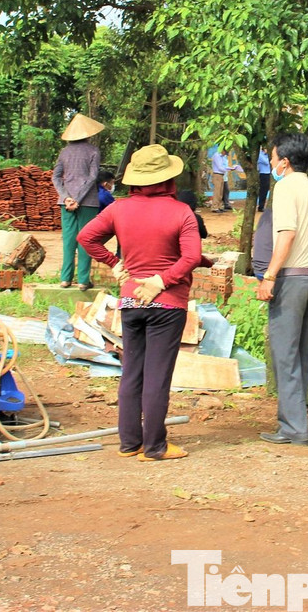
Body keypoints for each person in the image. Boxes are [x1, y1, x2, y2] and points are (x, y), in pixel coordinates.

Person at [79, 144, 204, 461]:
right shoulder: (181, 212)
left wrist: (114, 263)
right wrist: (162, 280)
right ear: (169, 179)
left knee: (132, 372)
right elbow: (187, 257)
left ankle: (129, 443)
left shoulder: (119, 209)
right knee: (157, 376)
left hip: (131, 300)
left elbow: (86, 237)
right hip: (168, 303)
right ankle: (155, 447)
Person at [257, 132, 308, 446]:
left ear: (284, 162)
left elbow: (286, 236)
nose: (272, 164)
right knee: (300, 354)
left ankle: (294, 428)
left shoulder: (285, 188)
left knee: (285, 355)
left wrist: (269, 277)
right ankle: (294, 422)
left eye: (273, 159)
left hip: (292, 280)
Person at [52, 113, 104, 289]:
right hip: (88, 202)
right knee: (86, 239)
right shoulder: (93, 151)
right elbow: (92, 177)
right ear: (88, 134)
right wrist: (78, 199)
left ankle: (65, 279)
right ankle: (83, 281)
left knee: (68, 240)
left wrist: (66, 197)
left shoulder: (64, 152)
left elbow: (56, 177)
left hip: (65, 202)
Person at [209, 147, 242, 213]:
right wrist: (230, 169)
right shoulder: (217, 156)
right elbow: (220, 167)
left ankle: (219, 206)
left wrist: (230, 168)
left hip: (222, 175)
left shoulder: (223, 157)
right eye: (225, 152)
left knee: (221, 192)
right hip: (217, 175)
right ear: (222, 150)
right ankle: (215, 207)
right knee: (217, 192)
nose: (225, 154)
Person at [256, 146, 272, 212]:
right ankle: (260, 206)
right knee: (263, 191)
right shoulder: (260, 154)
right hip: (263, 174)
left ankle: (262, 205)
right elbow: (267, 162)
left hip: (268, 174)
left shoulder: (266, 155)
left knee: (265, 191)